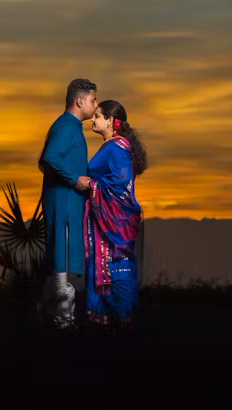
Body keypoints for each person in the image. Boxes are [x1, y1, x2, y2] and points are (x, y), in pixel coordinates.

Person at [38, 78, 98, 329]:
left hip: (65, 205)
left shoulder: (69, 126)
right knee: (61, 272)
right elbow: (48, 158)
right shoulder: (66, 127)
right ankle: (63, 327)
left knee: (61, 267)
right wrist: (74, 179)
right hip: (62, 206)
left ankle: (62, 324)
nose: (95, 105)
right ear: (80, 101)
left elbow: (44, 162)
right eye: (93, 100)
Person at [82, 99, 147, 328]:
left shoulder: (116, 149)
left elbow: (120, 185)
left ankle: (122, 327)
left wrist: (90, 186)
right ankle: (110, 330)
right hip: (105, 223)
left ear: (110, 121)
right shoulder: (112, 146)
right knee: (111, 269)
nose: (93, 119)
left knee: (118, 270)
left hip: (114, 225)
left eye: (98, 116)